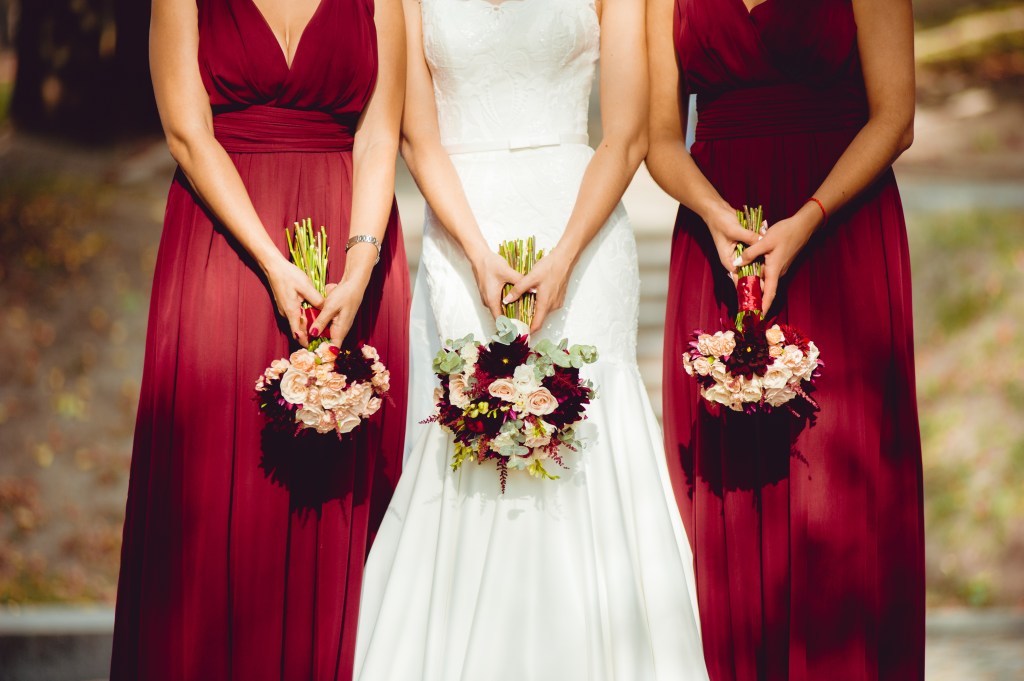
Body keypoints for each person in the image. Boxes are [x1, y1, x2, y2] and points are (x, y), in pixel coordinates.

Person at [354, 1, 709, 679]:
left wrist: (566, 252)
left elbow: (627, 135)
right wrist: (479, 254)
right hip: (464, 233)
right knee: (467, 434)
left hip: (580, 221)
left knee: (589, 424)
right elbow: (416, 138)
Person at [110, 0, 409, 678]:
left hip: (350, 246)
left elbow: (379, 132)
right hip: (225, 249)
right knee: (222, 493)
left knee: (339, 512)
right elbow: (188, 135)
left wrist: (361, 263)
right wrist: (274, 262)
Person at [646, 0, 925, 678]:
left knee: (833, 489)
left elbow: (895, 118)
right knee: (727, 495)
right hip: (722, 241)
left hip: (839, 232)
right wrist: (715, 215)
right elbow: (658, 138)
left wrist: (807, 219)